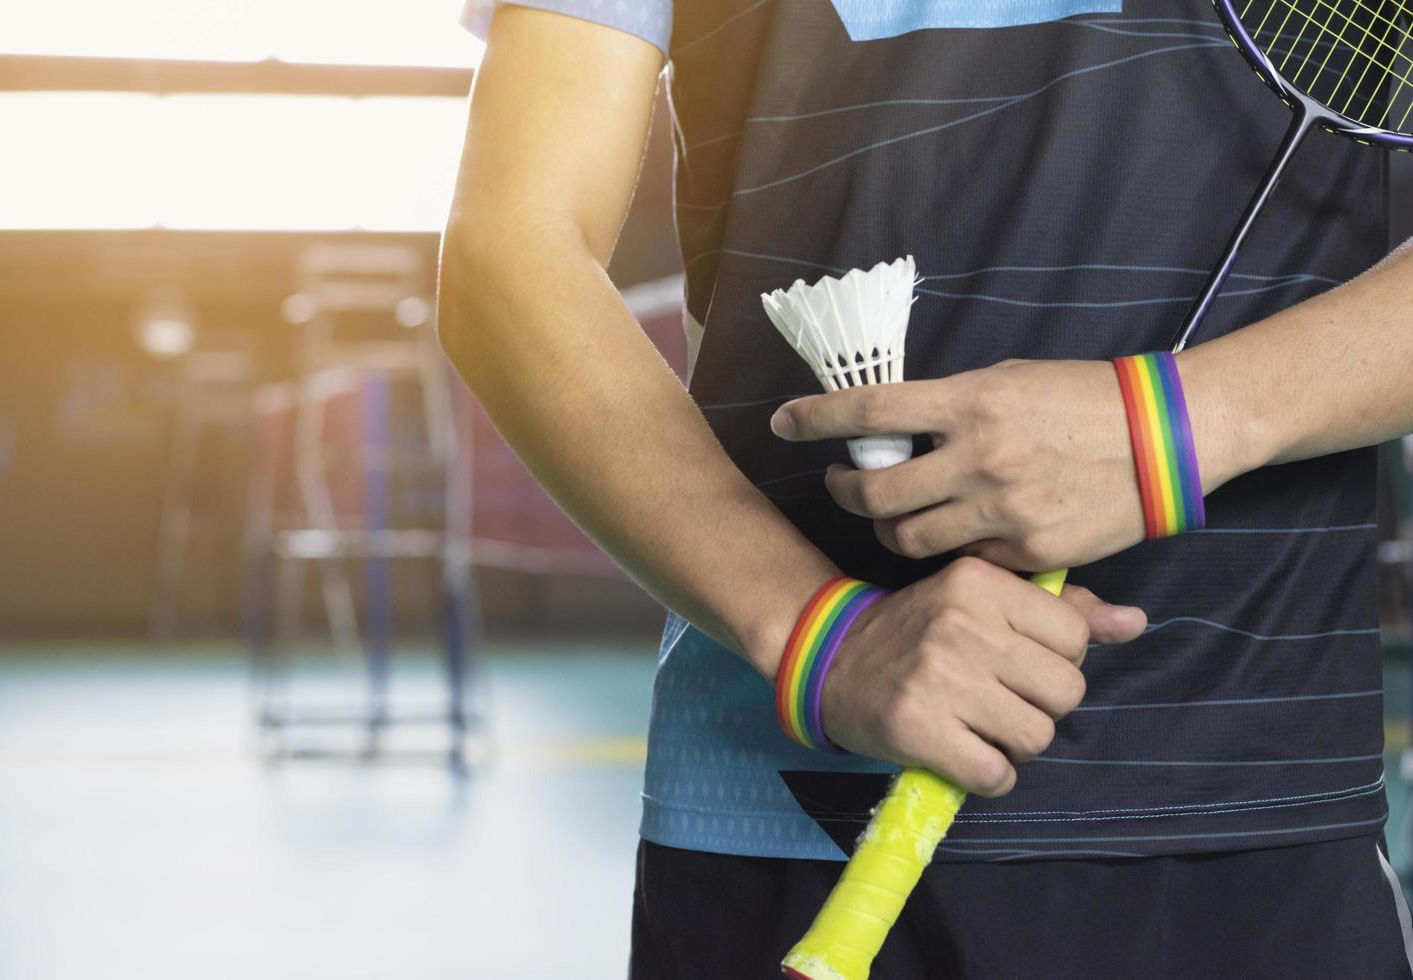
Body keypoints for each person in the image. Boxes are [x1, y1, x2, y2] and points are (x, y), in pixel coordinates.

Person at [439, 1, 1413, 975]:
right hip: (789, 802)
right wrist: (818, 632)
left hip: (1261, 798)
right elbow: (513, 247)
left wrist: (1171, 424)